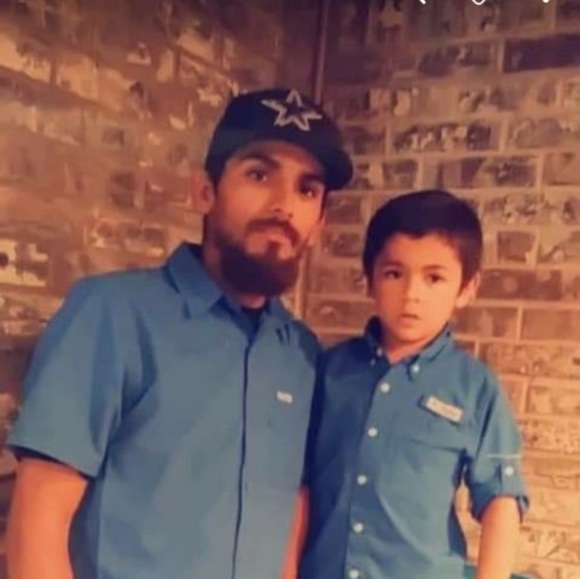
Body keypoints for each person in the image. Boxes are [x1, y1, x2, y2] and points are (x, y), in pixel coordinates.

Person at [5, 87, 353, 579]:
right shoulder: (114, 314)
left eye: (307, 190)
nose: (284, 205)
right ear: (204, 191)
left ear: (318, 224)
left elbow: (289, 506)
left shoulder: (300, 353)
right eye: (259, 174)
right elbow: (38, 523)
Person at [300, 189, 529, 579]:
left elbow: (501, 502)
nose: (412, 295)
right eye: (394, 274)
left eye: (434, 278)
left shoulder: (475, 388)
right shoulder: (328, 371)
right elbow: (298, 485)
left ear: (467, 288)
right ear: (369, 280)